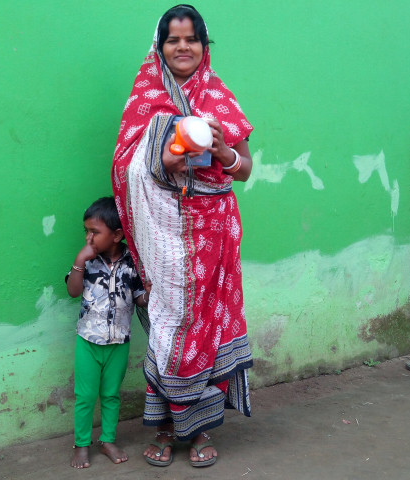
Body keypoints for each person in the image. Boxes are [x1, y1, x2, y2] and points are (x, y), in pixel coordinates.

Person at [111, 4, 254, 468]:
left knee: (204, 327)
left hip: (212, 233)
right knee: (168, 325)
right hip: (162, 234)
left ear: (203, 45)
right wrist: (158, 162)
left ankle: (201, 431)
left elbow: (246, 170)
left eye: (191, 38)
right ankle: (168, 426)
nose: (183, 47)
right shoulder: (145, 95)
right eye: (173, 40)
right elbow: (123, 164)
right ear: (161, 46)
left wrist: (223, 151)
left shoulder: (219, 96)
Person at [65, 196, 149, 469]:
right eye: (86, 231)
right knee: (86, 396)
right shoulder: (87, 262)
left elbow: (139, 299)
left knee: (112, 394)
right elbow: (73, 291)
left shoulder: (130, 262)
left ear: (116, 235)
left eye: (95, 232)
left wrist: (151, 292)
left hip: (119, 341)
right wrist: (79, 259)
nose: (89, 238)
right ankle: (81, 444)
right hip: (88, 340)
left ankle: (108, 440)